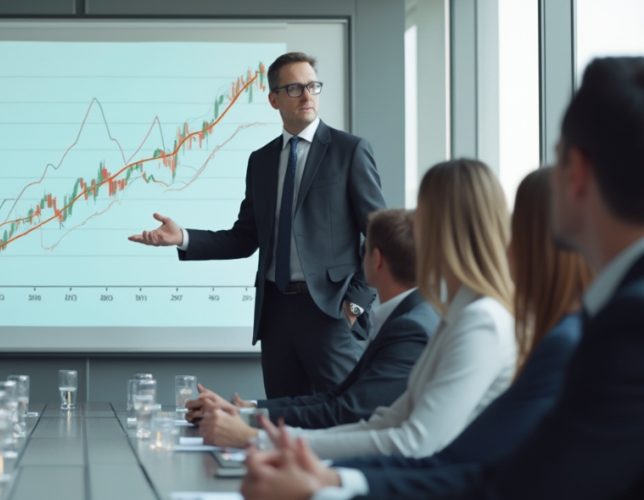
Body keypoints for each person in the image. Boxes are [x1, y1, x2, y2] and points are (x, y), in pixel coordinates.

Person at [241, 56, 644, 500]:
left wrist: (321, 475)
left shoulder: (602, 326)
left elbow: (439, 453)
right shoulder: (464, 316)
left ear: (579, 172)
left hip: (331, 324)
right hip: (282, 322)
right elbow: (407, 430)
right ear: (274, 98)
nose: (410, 231)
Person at [129, 51, 386, 398]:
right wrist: (182, 237)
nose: (307, 95)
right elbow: (245, 238)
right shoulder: (261, 161)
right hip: (276, 314)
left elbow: (380, 233)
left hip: (331, 313)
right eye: (295, 88)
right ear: (274, 99)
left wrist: (355, 304)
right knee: (281, 422)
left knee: (345, 416)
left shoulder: (349, 150)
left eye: (313, 86)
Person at [254, 159, 516, 461]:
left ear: (446, 228)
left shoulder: (480, 322)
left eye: (422, 213)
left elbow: (412, 442)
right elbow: (388, 421)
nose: (413, 226)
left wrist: (267, 441)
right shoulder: (454, 314)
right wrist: (270, 439)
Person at [189, 209, 438, 444]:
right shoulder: (407, 318)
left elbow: (347, 412)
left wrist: (249, 428)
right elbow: (336, 398)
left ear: (376, 259)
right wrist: (246, 409)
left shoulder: (409, 329)